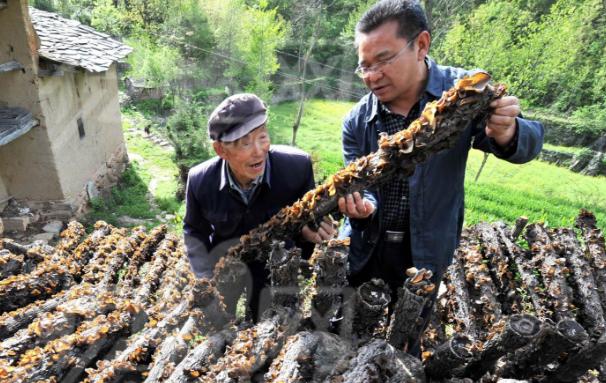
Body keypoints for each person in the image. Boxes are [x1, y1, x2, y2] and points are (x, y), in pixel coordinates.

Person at [338, 0, 544, 301]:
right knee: (344, 325)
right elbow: (361, 185)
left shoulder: (463, 93)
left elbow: (527, 143)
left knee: (407, 332)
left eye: (383, 60)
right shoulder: (357, 120)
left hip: (424, 251)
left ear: (421, 45)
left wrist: (507, 130)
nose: (372, 76)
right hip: (365, 247)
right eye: (364, 66)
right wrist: (363, 206)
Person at [183, 93, 335, 319]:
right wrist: (205, 277)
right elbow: (194, 230)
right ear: (221, 150)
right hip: (227, 266)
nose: (258, 150)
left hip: (275, 269)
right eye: (245, 142)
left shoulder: (297, 168)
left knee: (266, 324)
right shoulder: (200, 180)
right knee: (221, 323)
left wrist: (309, 233)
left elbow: (307, 221)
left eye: (262, 137)